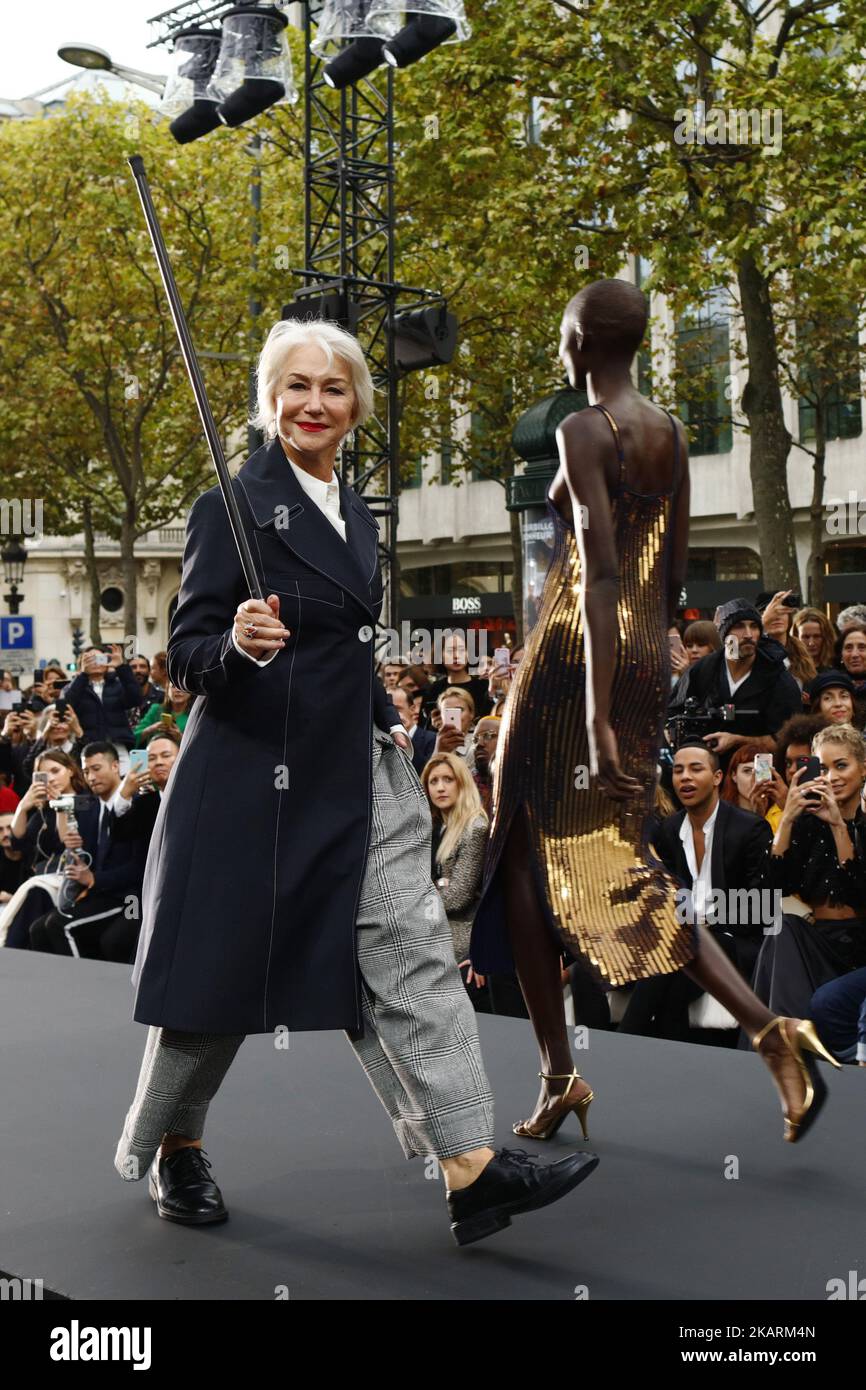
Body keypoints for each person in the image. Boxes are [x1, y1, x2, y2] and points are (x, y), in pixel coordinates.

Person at [114, 317, 596, 1247]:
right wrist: (236, 646)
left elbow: (345, 648)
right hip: (251, 777)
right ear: (269, 399)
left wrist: (391, 728)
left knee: (414, 953)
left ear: (357, 408)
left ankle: (470, 1168)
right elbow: (185, 655)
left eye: (333, 389)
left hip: (354, 768)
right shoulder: (230, 507)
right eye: (296, 386)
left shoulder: (358, 512)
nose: (314, 404)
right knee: (217, 984)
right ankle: (176, 1143)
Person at [471, 277, 840, 1146]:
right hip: (640, 653)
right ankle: (764, 1030)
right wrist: (647, 675)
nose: (560, 345)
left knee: (524, 851)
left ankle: (571, 1069)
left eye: (564, 331)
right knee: (614, 858)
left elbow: (598, 574)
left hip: (576, 654)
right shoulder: (669, 433)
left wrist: (598, 715)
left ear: (583, 339)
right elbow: (669, 572)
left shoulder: (583, 427)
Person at [619, 742, 772, 1042]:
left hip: (735, 940)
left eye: (695, 769)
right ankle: (666, 1062)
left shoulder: (750, 828)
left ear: (717, 778)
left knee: (679, 950)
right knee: (671, 976)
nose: (685, 777)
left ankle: (624, 1043)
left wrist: (701, 924)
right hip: (682, 945)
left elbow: (761, 909)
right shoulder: (669, 830)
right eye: (678, 771)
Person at [752, 723, 866, 1020]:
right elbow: (766, 893)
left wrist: (839, 827)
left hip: (860, 948)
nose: (831, 777)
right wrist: (787, 820)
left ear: (863, 769)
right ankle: (786, 1033)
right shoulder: (807, 826)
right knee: (784, 926)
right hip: (818, 942)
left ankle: (782, 1038)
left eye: (841, 765)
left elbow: (859, 895)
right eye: (823, 768)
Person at [29, 742, 153, 963]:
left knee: (59, 925)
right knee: (38, 928)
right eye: (86, 771)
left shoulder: (137, 805)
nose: (91, 776)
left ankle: (76, 992)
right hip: (98, 892)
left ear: (115, 766)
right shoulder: (91, 806)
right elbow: (70, 847)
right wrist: (77, 852)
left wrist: (94, 878)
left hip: (127, 897)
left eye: (97, 768)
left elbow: (138, 867)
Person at [668, 598, 803, 769]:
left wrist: (738, 741)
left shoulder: (778, 678)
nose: (748, 634)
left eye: (754, 626)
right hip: (708, 774)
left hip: (760, 774)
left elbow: (789, 742)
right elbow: (671, 714)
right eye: (739, 626)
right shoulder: (703, 670)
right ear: (724, 634)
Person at [422, 752, 489, 989]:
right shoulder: (434, 829)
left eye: (448, 780)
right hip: (432, 943)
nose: (440, 788)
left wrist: (419, 898)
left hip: (462, 946)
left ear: (462, 782)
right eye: (433, 781)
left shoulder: (475, 827)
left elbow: (458, 896)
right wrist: (439, 885)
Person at [65, 645, 142, 772]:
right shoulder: (76, 686)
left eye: (99, 659)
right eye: (90, 659)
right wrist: (83, 674)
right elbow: (69, 704)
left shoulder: (117, 685)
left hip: (118, 746)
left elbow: (135, 698)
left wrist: (121, 667)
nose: (95, 662)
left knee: (124, 783)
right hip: (90, 746)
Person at [425, 633, 493, 720]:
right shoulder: (434, 689)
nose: (456, 656)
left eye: (461, 650)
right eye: (450, 651)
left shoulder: (483, 687)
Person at [720, 741, 784, 831]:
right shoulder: (720, 814)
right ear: (734, 775)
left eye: (760, 771)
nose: (754, 779)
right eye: (748, 771)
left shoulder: (781, 813)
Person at [390, 684, 436, 775]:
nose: (391, 715)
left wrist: (404, 734)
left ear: (412, 709)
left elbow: (427, 773)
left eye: (397, 709)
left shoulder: (431, 738)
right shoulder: (381, 739)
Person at [791, 607, 837, 673]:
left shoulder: (837, 666)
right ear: (796, 637)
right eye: (805, 637)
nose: (811, 643)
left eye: (817, 636)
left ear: (826, 637)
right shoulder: (789, 669)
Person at [836, 623, 866, 696]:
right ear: (841, 655)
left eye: (862, 647)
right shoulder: (829, 685)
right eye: (848, 648)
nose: (854, 654)